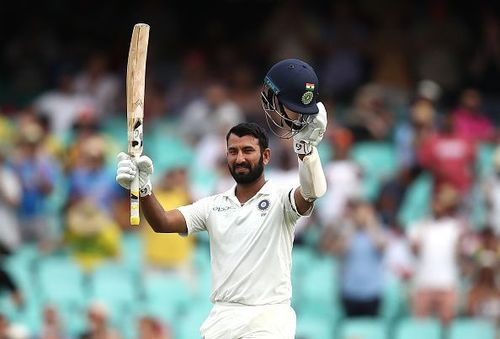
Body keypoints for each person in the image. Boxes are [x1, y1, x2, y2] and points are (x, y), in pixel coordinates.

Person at [116, 58, 328, 338]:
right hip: (223, 317)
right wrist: (143, 188)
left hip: (269, 315)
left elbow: (311, 194)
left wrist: (307, 152)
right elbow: (162, 222)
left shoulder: (280, 199)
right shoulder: (213, 205)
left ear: (265, 156)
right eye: (233, 151)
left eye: (248, 151)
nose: (240, 158)